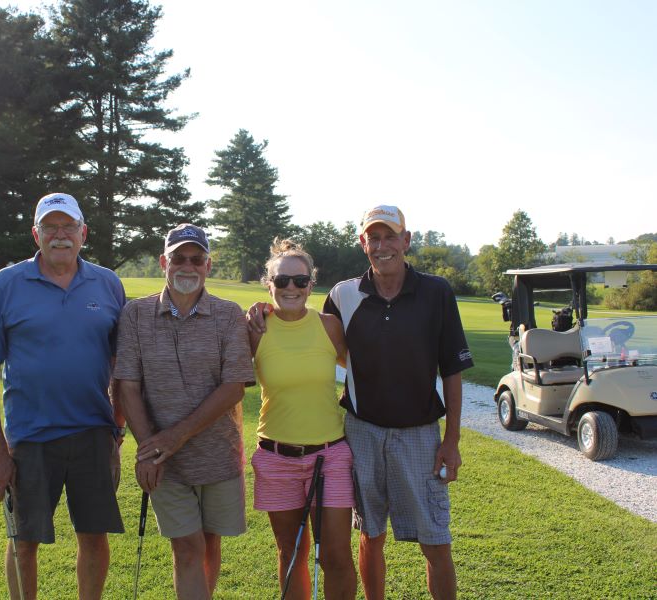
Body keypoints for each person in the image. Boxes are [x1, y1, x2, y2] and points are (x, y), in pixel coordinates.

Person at [247, 205, 473, 600]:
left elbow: (452, 370)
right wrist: (260, 311)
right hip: (361, 432)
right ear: (363, 243)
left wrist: (451, 440)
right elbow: (304, 331)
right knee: (370, 533)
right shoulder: (343, 296)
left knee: (435, 541)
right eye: (374, 237)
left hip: (419, 433)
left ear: (406, 240)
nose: (382, 245)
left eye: (390, 236)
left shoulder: (436, 291)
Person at [0, 192, 126, 600]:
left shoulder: (108, 283)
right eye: (51, 227)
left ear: (83, 233)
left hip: (93, 433)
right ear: (35, 234)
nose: (60, 236)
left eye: (68, 227)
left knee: (94, 537)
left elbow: (123, 367)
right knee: (24, 541)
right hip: (29, 437)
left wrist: (117, 433)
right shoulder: (6, 284)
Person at [115, 223, 254, 600]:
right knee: (187, 547)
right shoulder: (135, 314)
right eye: (179, 258)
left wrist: (175, 437)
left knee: (209, 544)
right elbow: (127, 385)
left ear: (208, 265)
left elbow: (234, 387)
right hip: (165, 462)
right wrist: (151, 449)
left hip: (219, 456)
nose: (187, 266)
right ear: (164, 262)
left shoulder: (228, 315)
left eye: (196, 259)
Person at [249, 239, 357, 599]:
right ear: (269, 284)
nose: (291, 288)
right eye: (282, 281)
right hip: (276, 458)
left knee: (336, 556)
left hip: (330, 458)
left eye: (300, 280)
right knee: (292, 553)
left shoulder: (328, 326)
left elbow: (364, 371)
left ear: (312, 283)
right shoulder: (256, 329)